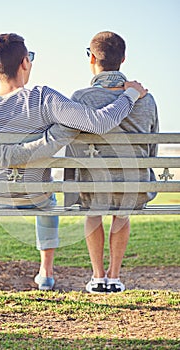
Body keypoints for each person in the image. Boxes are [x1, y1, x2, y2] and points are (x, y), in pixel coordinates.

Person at [0, 32, 147, 290]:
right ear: (25, 62)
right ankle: (46, 273)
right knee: (45, 191)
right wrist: (129, 95)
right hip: (35, 196)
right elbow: (99, 122)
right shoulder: (43, 98)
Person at [63, 31, 159, 293]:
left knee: (93, 208)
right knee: (122, 208)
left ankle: (97, 276)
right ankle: (114, 276)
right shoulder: (146, 99)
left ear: (92, 57)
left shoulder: (81, 98)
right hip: (134, 187)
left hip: (93, 187)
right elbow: (152, 148)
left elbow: (73, 149)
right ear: (123, 59)